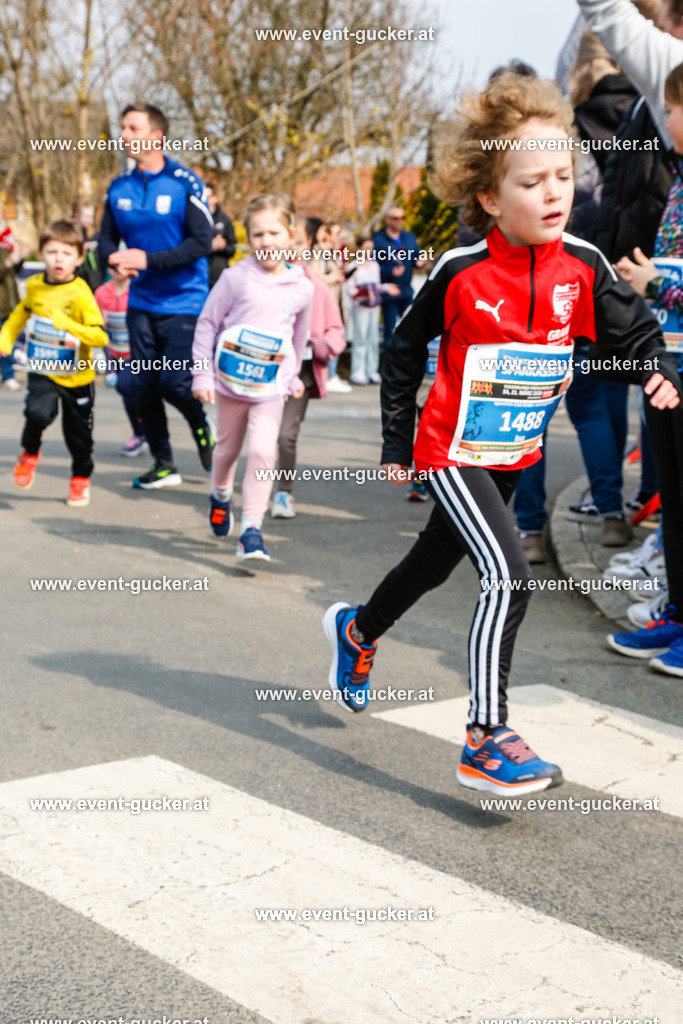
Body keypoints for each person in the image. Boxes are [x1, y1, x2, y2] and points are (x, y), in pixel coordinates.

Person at [321, 73, 680, 795]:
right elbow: (398, 353)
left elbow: (631, 324)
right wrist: (396, 447)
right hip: (450, 451)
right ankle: (486, 735)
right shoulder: (459, 272)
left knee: (430, 566)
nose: (553, 194)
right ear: (489, 196)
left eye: (562, 177)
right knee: (507, 574)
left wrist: (651, 368)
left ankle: (356, 631)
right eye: (531, 182)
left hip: (511, 452)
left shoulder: (580, 264)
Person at [607, 61, 683, 672]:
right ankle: (677, 613)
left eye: (672, 108)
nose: (665, 120)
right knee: (674, 495)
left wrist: (658, 282)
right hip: (670, 359)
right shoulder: (678, 179)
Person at [98, 102, 215, 490]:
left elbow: (202, 243)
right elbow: (105, 240)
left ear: (156, 136)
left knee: (174, 382)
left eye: (133, 128)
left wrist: (148, 259)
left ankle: (203, 427)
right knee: (139, 385)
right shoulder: (118, 187)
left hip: (185, 301)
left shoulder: (185, 181)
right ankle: (165, 463)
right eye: (123, 127)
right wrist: (114, 261)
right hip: (141, 304)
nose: (125, 135)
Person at [191, 194, 313, 560]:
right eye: (257, 234)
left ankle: (251, 531)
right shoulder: (234, 278)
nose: (266, 242)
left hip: (271, 388)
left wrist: (291, 376)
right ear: (248, 236)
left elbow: (298, 338)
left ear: (290, 233)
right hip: (229, 384)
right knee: (226, 451)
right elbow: (207, 324)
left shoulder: (302, 286)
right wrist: (201, 375)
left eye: (274, 232)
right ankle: (220, 494)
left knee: (262, 451)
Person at [0, 219, 108, 507]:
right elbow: (19, 315)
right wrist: (5, 340)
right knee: (37, 414)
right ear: (40, 253)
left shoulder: (81, 292)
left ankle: (80, 479)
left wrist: (68, 325)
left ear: (78, 257)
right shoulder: (35, 286)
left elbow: (99, 337)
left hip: (78, 378)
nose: (58, 259)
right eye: (51, 252)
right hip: (44, 368)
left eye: (66, 253)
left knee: (80, 436)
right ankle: (29, 454)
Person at [272, 217, 346, 518]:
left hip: (300, 373)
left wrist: (315, 344)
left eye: (300, 243)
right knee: (261, 436)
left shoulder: (319, 290)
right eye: (288, 243)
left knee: (285, 435)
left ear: (310, 246)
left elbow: (336, 336)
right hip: (263, 370)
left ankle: (283, 493)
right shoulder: (259, 282)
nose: (293, 249)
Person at [93, 268, 148, 457]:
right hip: (115, 353)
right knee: (127, 394)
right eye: (115, 266)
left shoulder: (138, 290)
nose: (120, 271)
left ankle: (147, 432)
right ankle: (139, 434)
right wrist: (108, 366)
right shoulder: (101, 293)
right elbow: (100, 329)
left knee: (128, 387)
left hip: (137, 354)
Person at [344, 235, 400, 385]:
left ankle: (372, 371)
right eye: (366, 248)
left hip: (374, 308)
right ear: (358, 248)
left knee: (373, 340)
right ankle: (358, 372)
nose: (369, 251)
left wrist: (387, 288)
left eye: (371, 248)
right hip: (361, 308)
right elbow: (350, 289)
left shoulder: (374, 265)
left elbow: (377, 286)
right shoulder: (353, 266)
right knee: (360, 339)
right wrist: (363, 295)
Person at [372, 206, 426, 352]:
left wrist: (419, 262)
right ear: (387, 219)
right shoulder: (378, 240)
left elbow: (415, 257)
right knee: (390, 333)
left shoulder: (409, 237)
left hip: (407, 292)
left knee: (410, 331)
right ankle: (389, 371)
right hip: (390, 293)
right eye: (395, 218)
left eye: (402, 218)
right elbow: (372, 268)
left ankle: (406, 368)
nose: (399, 221)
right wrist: (390, 271)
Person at [0, 227, 25, 391]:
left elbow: (14, 271)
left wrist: (19, 259)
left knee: (7, 342)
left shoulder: (4, 245)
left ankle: (8, 375)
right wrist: (7, 263)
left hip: (8, 303)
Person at [205, 184, 237, 288]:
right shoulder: (196, 220)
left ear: (215, 198)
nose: (205, 200)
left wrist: (222, 247)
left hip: (220, 278)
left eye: (208, 197)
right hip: (201, 277)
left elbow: (232, 249)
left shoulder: (225, 220)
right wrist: (210, 246)